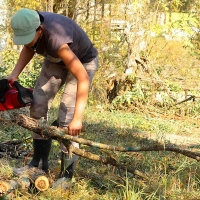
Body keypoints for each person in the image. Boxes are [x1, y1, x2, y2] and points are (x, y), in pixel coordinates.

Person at [8, 8, 98, 189]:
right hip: (56, 60)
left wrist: (77, 118)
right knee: (37, 106)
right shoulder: (30, 24)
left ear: (40, 30)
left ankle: (66, 176)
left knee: (67, 117)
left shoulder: (55, 38)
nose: (26, 41)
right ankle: (38, 164)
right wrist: (14, 74)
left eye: (28, 36)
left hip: (82, 63)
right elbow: (29, 47)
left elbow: (82, 77)